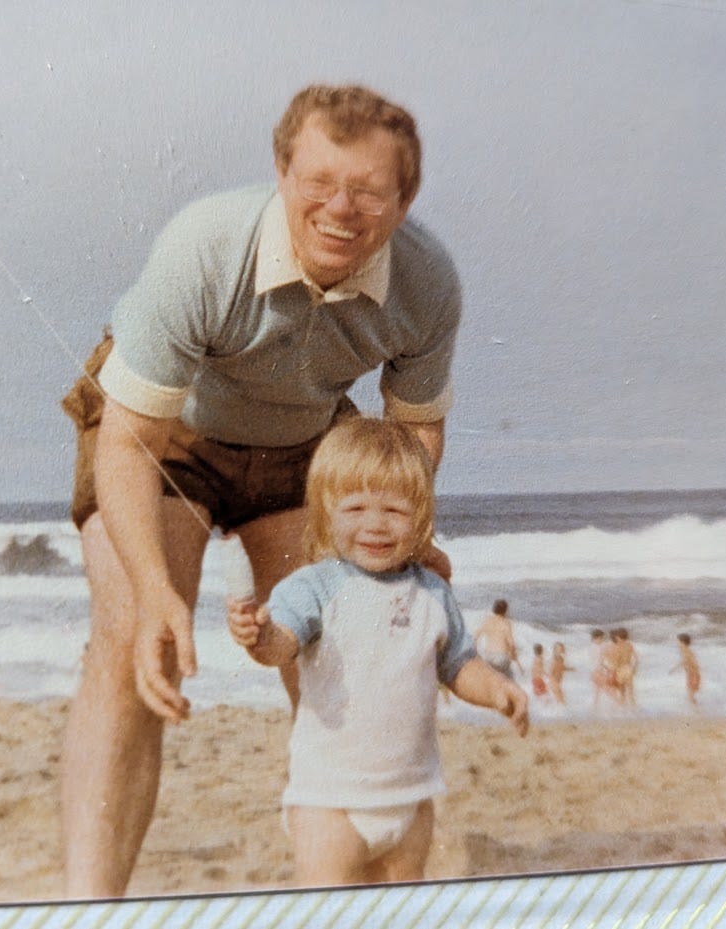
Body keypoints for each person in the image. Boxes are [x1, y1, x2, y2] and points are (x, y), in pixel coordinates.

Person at [58, 83, 463, 897]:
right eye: (317, 182)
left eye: (367, 191)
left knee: (332, 640)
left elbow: (413, 430)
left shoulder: (428, 283)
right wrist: (153, 586)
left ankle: (355, 878)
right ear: (282, 172)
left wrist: (409, 533)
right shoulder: (207, 246)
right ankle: (88, 904)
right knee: (141, 626)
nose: (339, 209)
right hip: (164, 434)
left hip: (303, 437)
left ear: (404, 198)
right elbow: (132, 438)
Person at [227, 418, 527, 887]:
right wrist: (259, 636)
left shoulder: (432, 592)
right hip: (330, 801)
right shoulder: (315, 587)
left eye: (394, 509)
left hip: (411, 798)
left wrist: (497, 689)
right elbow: (281, 645)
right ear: (326, 513)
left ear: (422, 514)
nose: (375, 524)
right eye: (356, 507)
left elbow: (457, 665)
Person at [474, 599, 524, 680]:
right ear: (505, 610)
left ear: (494, 609)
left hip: (488, 656)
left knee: (492, 681)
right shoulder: (506, 623)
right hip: (501, 657)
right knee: (509, 681)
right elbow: (511, 643)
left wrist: (476, 653)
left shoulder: (487, 621)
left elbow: (475, 637)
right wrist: (513, 656)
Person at [605, 628, 639, 709]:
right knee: (631, 692)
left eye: (617, 636)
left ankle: (623, 710)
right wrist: (634, 668)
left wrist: (610, 670)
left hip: (620, 670)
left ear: (618, 637)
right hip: (629, 669)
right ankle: (634, 709)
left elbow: (617, 661)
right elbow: (637, 659)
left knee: (622, 692)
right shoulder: (630, 645)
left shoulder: (617, 647)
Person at [670, 632, 701, 709]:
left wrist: (674, 669)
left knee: (690, 694)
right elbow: (691, 662)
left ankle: (697, 711)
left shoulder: (685, 651)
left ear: (683, 642)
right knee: (690, 694)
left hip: (693, 674)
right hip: (692, 674)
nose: (677, 644)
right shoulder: (686, 650)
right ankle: (696, 710)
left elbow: (685, 661)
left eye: (678, 642)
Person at [589, 628, 616, 710]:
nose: (603, 640)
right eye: (602, 638)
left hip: (593, 671)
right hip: (598, 671)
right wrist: (608, 669)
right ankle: (619, 704)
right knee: (608, 689)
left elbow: (596, 661)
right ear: (597, 638)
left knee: (597, 691)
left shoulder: (592, 647)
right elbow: (600, 661)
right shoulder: (599, 648)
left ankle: (595, 707)